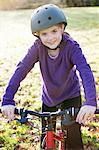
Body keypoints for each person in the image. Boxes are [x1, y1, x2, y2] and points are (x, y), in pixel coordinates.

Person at [1, 4, 97, 149]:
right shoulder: (37, 47)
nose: (50, 38)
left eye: (54, 31)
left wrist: (90, 102)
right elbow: (21, 70)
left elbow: (85, 71)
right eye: (44, 34)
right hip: (49, 98)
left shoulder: (71, 47)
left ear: (62, 29)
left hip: (71, 96)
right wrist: (7, 99)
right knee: (46, 139)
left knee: (73, 137)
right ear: (38, 35)